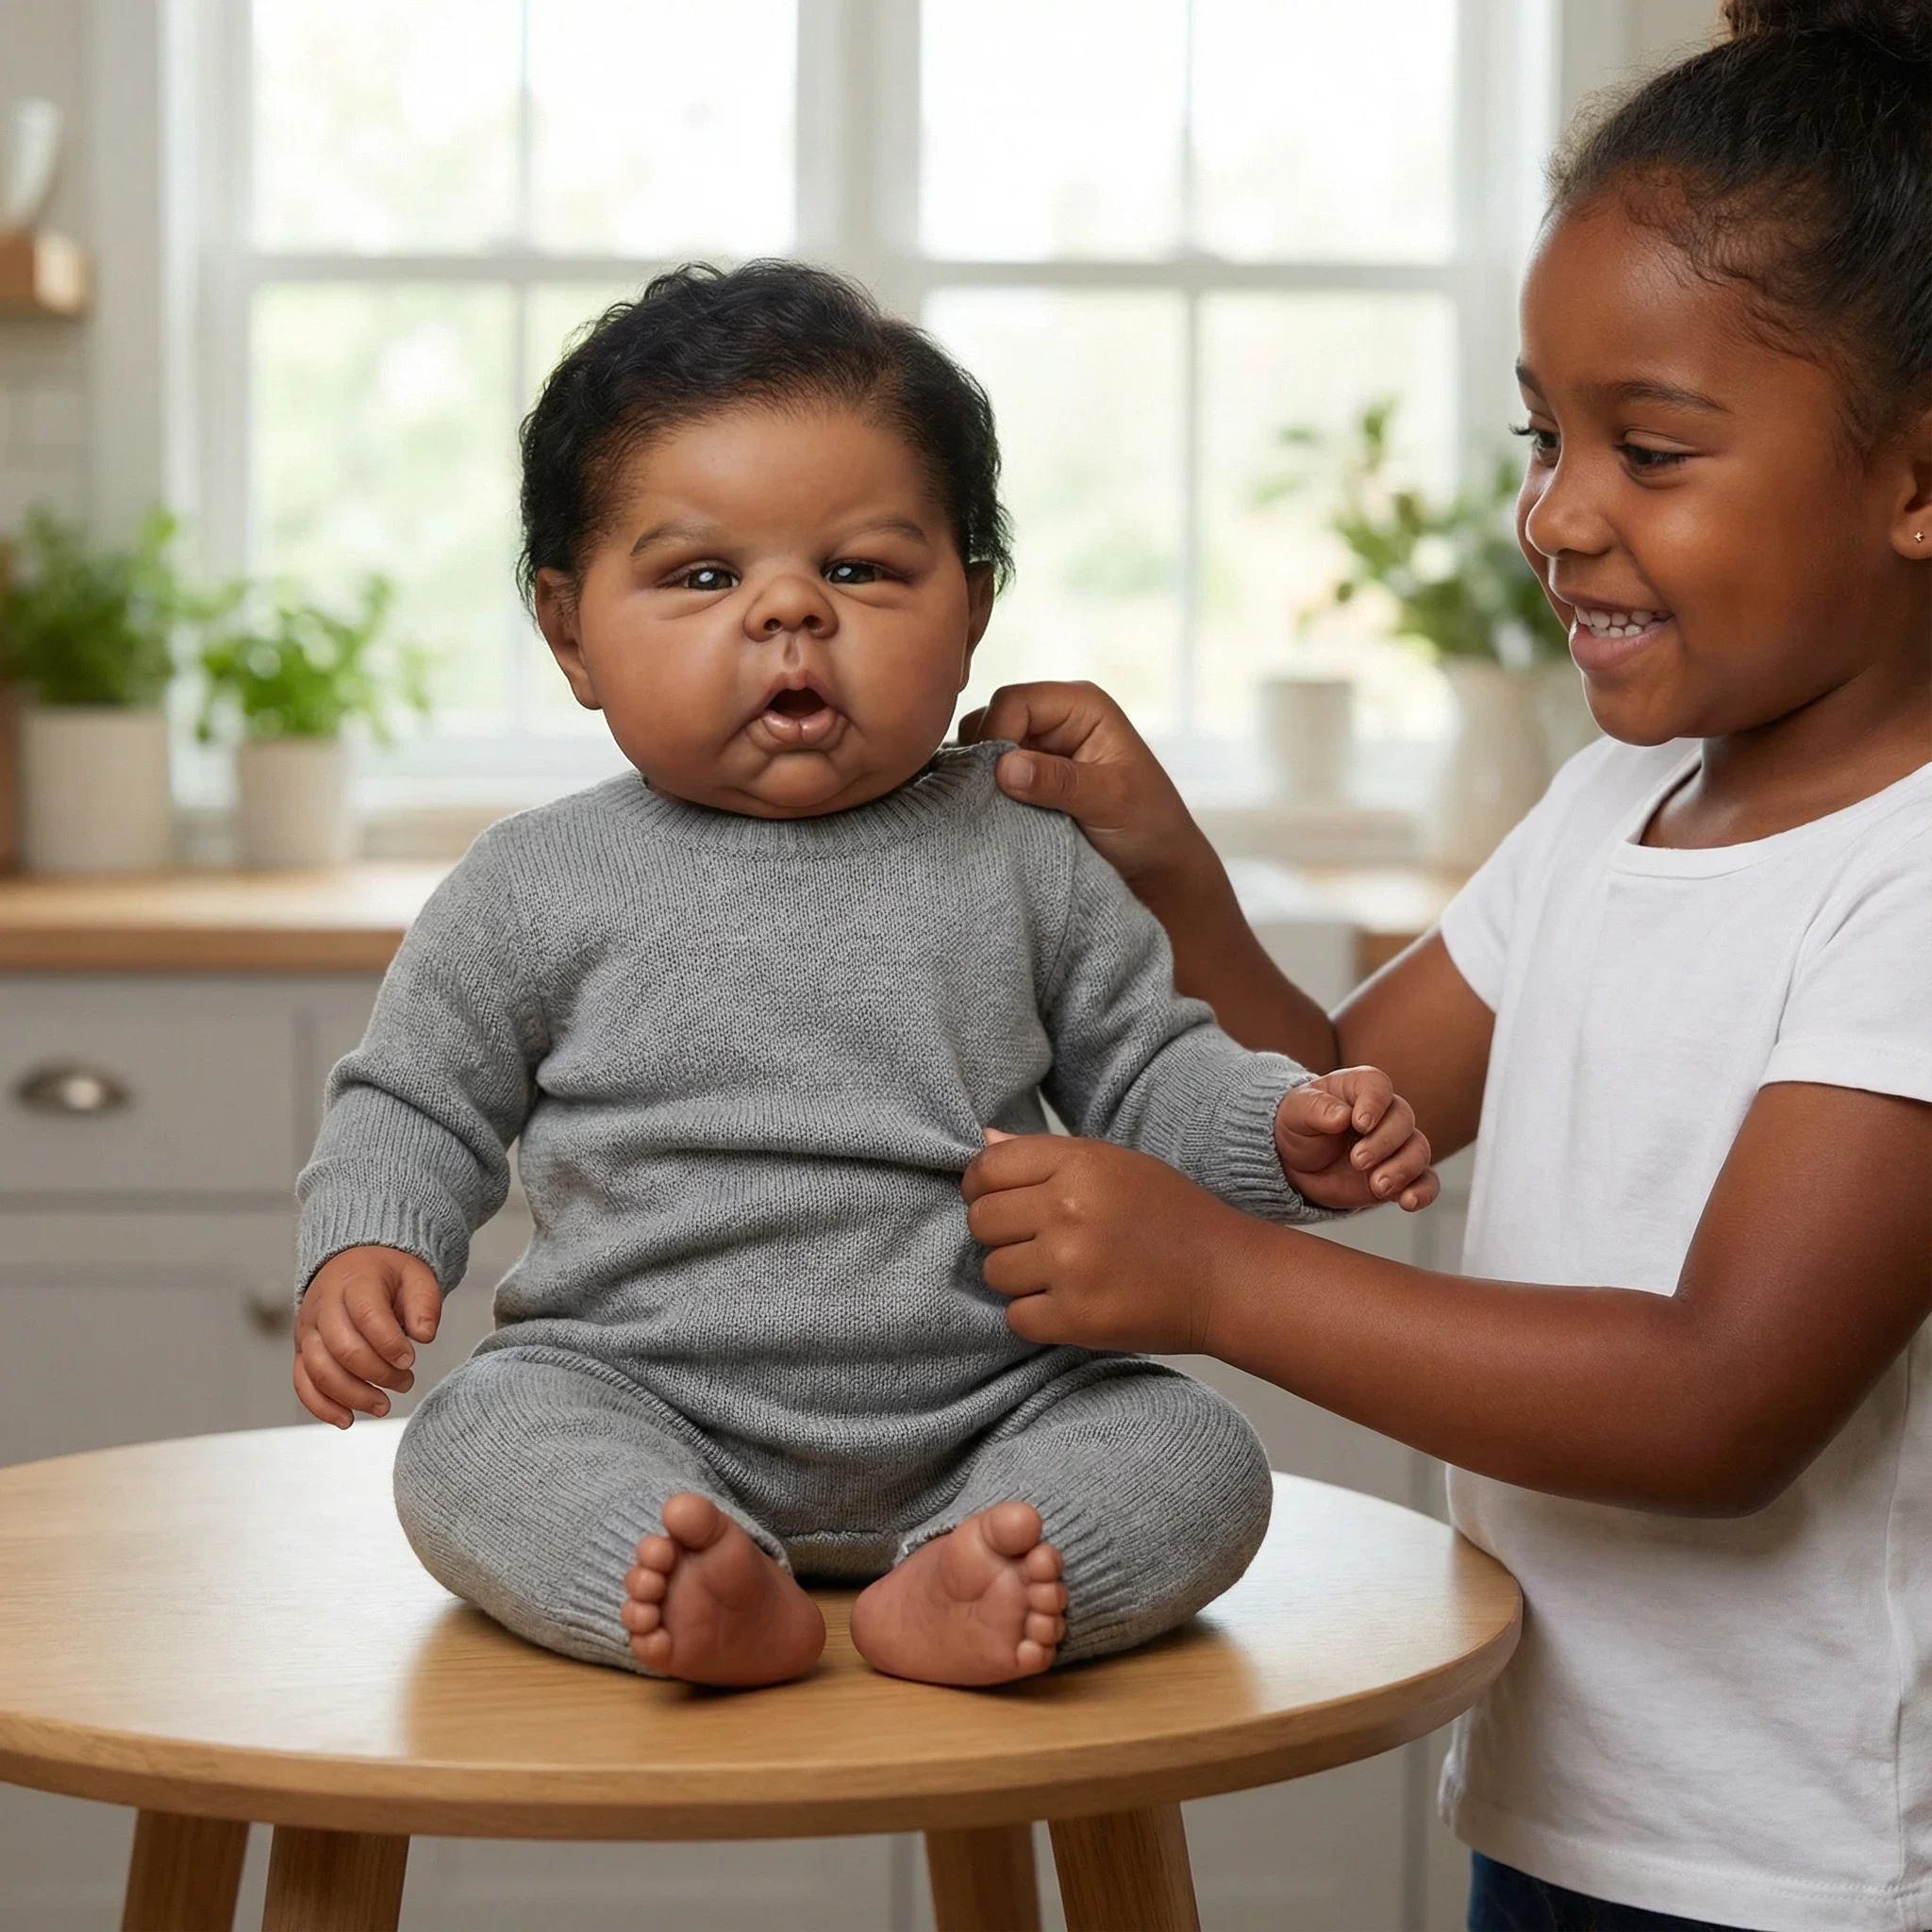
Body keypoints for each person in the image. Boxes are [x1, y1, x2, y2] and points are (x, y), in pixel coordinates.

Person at [959, 4, 1932, 1926]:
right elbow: (1330, 1102)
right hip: (1565, 1793)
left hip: (1816, 1868)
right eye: (1543, 433)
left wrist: (1211, 1277)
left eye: (1646, 449)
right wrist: (1170, 868)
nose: (1554, 514)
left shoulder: (1909, 877)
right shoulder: (1614, 805)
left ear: (1915, 479)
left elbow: (1716, 1400)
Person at [288, 262, 1437, 1692]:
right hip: (637, 1391)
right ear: (572, 634)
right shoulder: (533, 882)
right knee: (467, 1443)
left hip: (995, 1401)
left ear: (973, 607)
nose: (790, 616)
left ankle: (976, 1574)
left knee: (1197, 1451)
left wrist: (1280, 1128)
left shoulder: (1028, 851)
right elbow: (415, 1100)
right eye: (703, 576)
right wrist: (369, 1241)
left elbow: (1149, 1070)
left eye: (861, 570)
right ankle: (685, 1573)